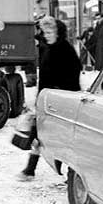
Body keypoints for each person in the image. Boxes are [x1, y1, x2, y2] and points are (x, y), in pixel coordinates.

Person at [18, 16, 81, 181]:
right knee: (39, 135)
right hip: (47, 100)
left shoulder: (65, 49)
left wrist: (60, 91)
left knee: (62, 138)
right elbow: (45, 77)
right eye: (44, 32)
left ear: (57, 32)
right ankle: (29, 170)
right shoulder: (48, 48)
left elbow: (74, 72)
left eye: (49, 32)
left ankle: (73, 173)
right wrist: (39, 98)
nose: (46, 35)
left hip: (63, 101)